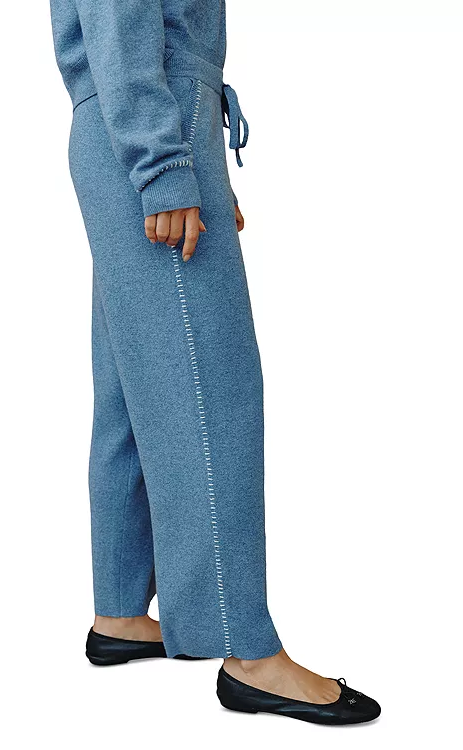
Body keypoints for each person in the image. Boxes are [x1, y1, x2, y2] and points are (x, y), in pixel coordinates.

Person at [49, 0, 380, 724]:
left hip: (136, 116)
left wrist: (189, 156)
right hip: (147, 116)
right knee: (212, 389)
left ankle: (121, 610)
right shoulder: (153, 130)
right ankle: (245, 650)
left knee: (135, 389)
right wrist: (166, 166)